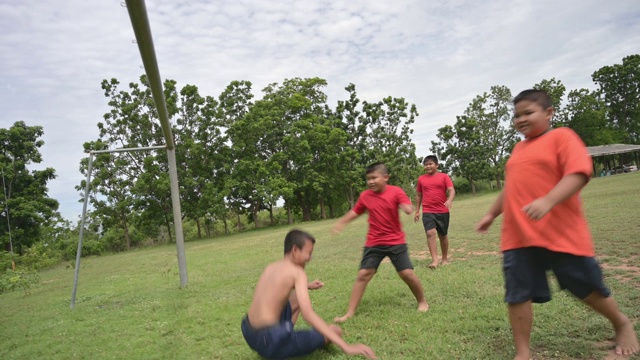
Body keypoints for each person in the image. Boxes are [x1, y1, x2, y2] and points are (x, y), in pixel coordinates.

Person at [475, 89, 639, 359]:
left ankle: (621, 323)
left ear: (549, 112)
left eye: (528, 112)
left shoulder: (562, 136)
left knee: (585, 286)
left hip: (560, 233)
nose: (521, 119)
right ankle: (523, 352)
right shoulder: (517, 149)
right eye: (517, 115)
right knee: (517, 294)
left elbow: (578, 173)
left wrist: (548, 201)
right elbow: (511, 188)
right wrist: (491, 214)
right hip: (518, 237)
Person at [241, 229, 377, 359]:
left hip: (250, 333)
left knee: (296, 298)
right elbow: (308, 315)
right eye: (309, 253)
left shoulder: (271, 267)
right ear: (295, 250)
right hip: (271, 341)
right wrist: (346, 346)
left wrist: (307, 286)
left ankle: (284, 336)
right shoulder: (298, 272)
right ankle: (285, 343)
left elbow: (276, 290)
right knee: (335, 331)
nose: (310, 258)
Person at [333, 162, 429, 323]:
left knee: (407, 273)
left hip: (395, 241)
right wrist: (342, 222)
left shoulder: (396, 191)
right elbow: (356, 211)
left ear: (385, 177)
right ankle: (349, 313)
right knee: (363, 274)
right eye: (368, 179)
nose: (370, 182)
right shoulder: (365, 196)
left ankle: (422, 301)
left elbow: (406, 204)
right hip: (374, 242)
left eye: (374, 178)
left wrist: (408, 208)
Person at [414, 155, 456, 269]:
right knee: (430, 233)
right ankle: (435, 261)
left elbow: (451, 190)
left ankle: (445, 259)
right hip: (428, 211)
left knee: (443, 235)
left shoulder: (444, 176)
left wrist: (449, 200)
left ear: (437, 165)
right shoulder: (421, 179)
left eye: (430, 164)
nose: (428, 166)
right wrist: (417, 210)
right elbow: (418, 195)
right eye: (426, 164)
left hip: (442, 211)